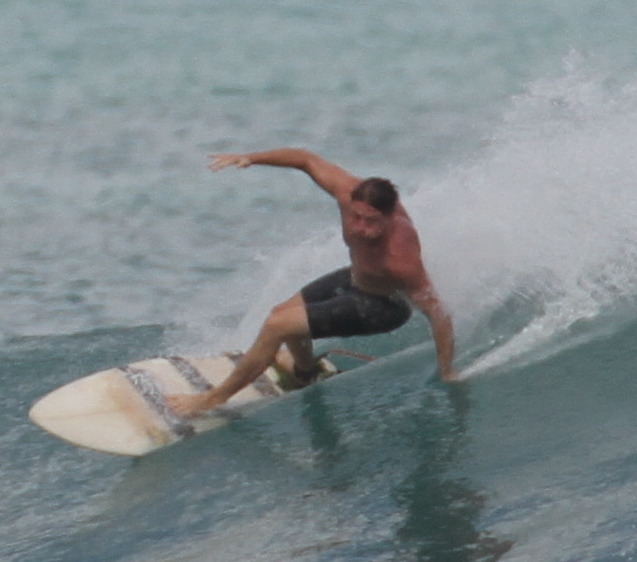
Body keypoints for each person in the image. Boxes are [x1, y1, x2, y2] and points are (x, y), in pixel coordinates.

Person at [166, 148, 459, 419]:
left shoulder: (401, 256)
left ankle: (214, 399)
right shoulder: (348, 192)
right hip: (354, 278)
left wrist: (447, 371)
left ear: (390, 216)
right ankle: (305, 374)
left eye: (371, 221)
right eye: (356, 217)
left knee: (278, 323)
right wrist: (251, 158)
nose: (361, 228)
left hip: (383, 306)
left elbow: (438, 312)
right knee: (286, 313)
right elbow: (306, 160)